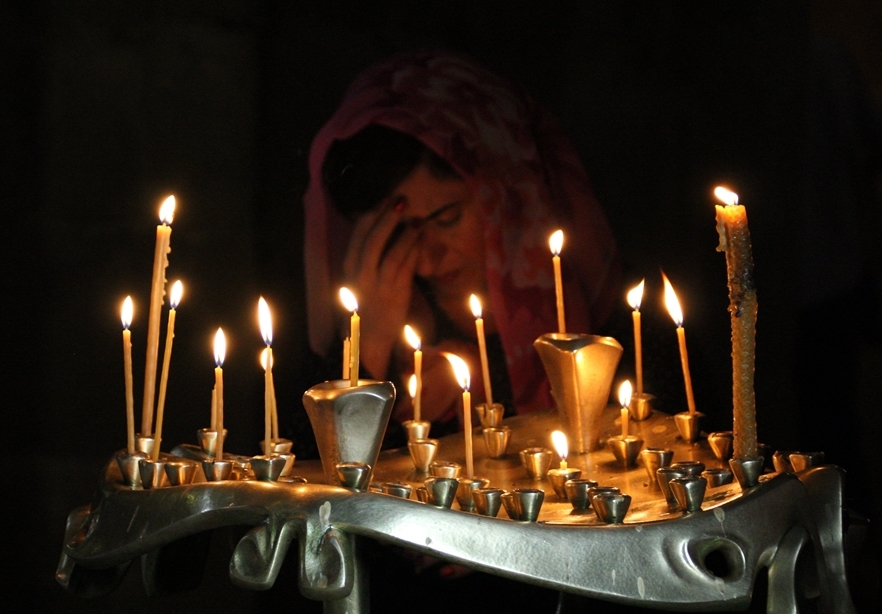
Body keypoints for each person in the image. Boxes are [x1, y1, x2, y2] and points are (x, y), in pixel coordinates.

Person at [303, 50, 620, 437]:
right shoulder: (382, 316)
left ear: (506, 193)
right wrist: (366, 343)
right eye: (400, 232)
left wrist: (480, 380)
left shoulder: (614, 319)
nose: (428, 262)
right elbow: (314, 476)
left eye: (447, 217)